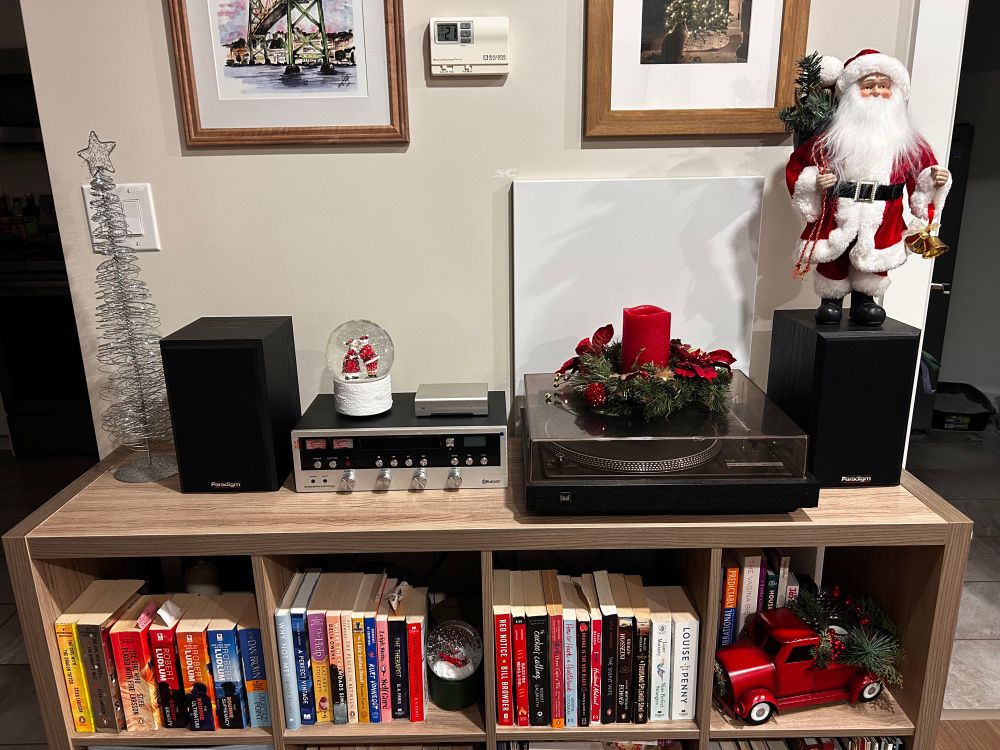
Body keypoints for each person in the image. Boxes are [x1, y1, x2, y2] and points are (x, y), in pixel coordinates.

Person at [785, 49, 951, 325]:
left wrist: (933, 179)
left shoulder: (908, 140)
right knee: (835, 254)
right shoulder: (830, 138)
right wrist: (815, 180)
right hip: (840, 207)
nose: (876, 92)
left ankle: (865, 300)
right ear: (851, 92)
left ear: (895, 92)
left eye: (883, 86)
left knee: (875, 257)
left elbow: (923, 171)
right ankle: (831, 299)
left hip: (885, 211)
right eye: (868, 86)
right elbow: (798, 164)